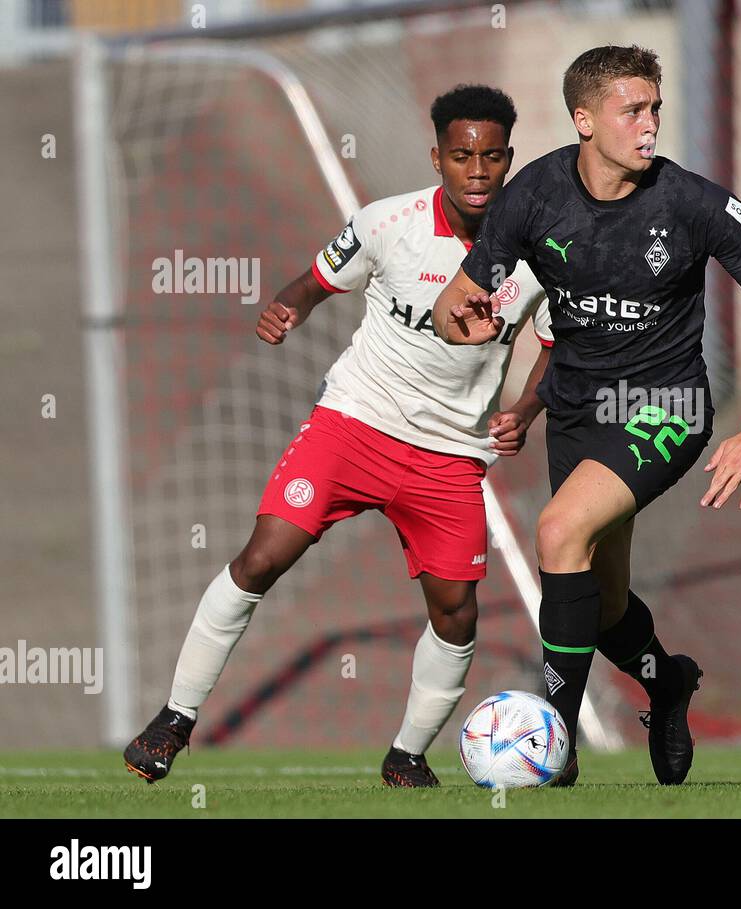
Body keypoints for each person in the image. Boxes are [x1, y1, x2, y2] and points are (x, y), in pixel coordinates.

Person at [124, 85, 552, 788]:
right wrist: (284, 307)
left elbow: (553, 345)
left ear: (510, 158)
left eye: (493, 155)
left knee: (456, 612)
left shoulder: (538, 254)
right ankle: (174, 720)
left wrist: (526, 411)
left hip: (449, 454)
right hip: (354, 423)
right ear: (437, 156)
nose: (478, 169)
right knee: (262, 557)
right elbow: (316, 281)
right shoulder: (388, 223)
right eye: (462, 155)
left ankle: (406, 756)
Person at [432, 45, 741, 786]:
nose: (649, 125)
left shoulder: (693, 202)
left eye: (655, 109)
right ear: (584, 119)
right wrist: (462, 323)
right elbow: (458, 301)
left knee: (556, 530)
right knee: (600, 602)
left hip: (665, 408)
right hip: (577, 409)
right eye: (631, 110)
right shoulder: (532, 194)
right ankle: (667, 683)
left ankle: (553, 745)